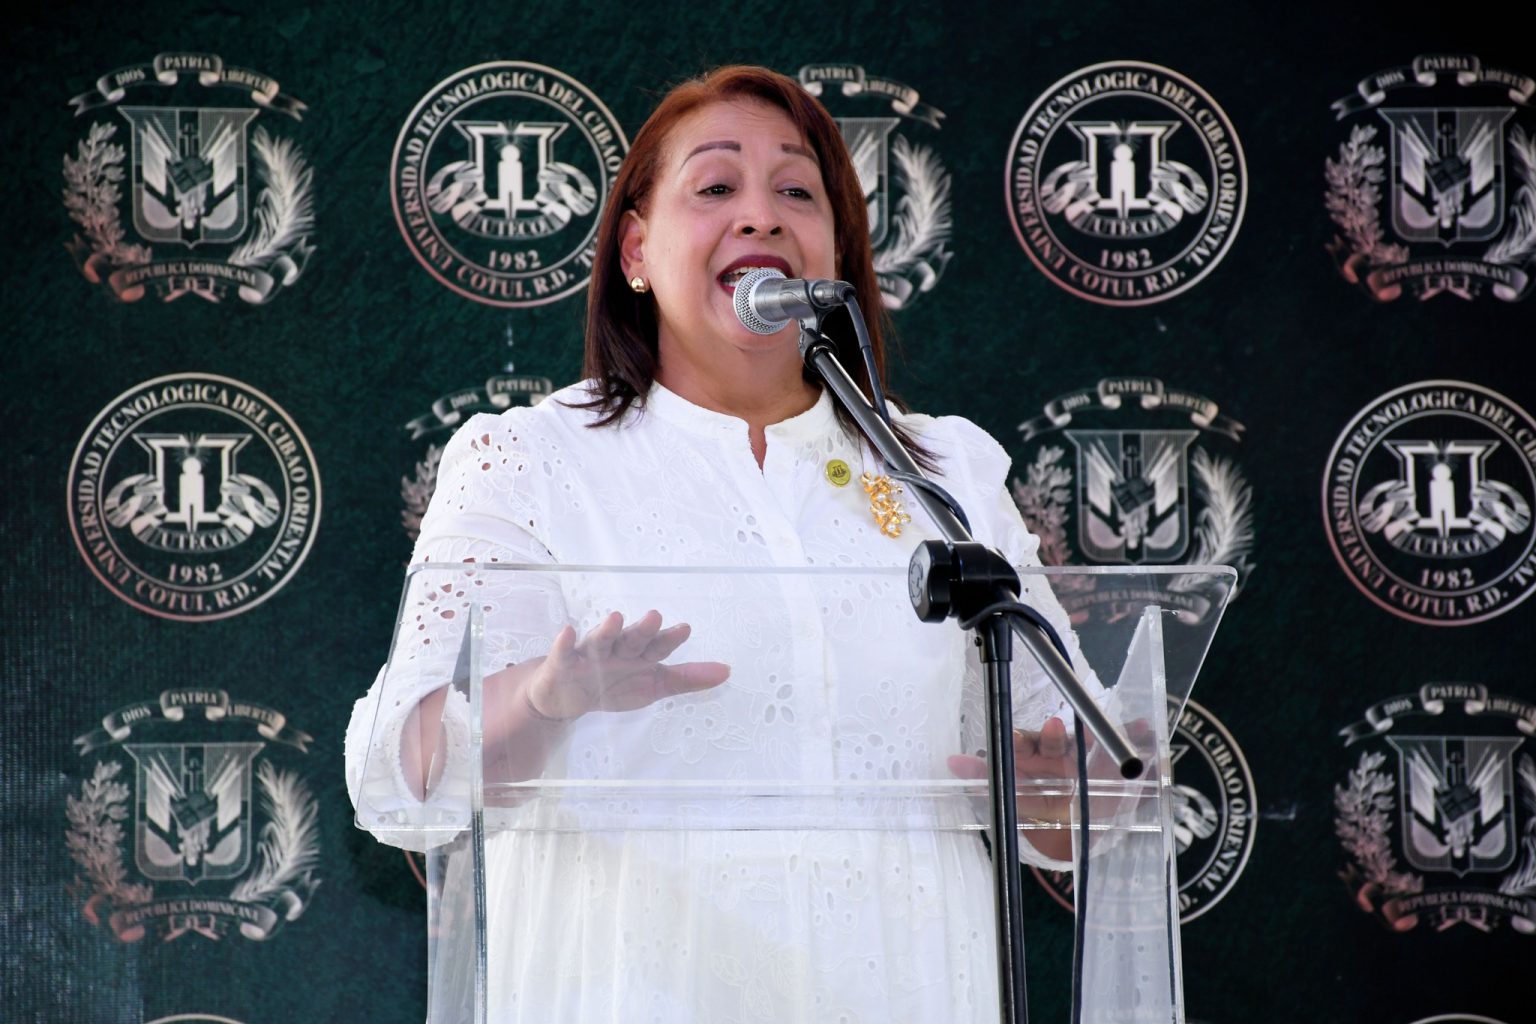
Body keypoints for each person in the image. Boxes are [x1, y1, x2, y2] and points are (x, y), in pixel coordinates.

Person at [346, 64, 1095, 1023]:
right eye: (715, 187)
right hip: (632, 987)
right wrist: (544, 698)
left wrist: (1067, 791)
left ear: (837, 252)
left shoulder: (944, 471)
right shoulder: (530, 462)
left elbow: (1074, 795)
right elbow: (399, 778)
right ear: (636, 250)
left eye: (797, 192)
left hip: (908, 980)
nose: (761, 217)